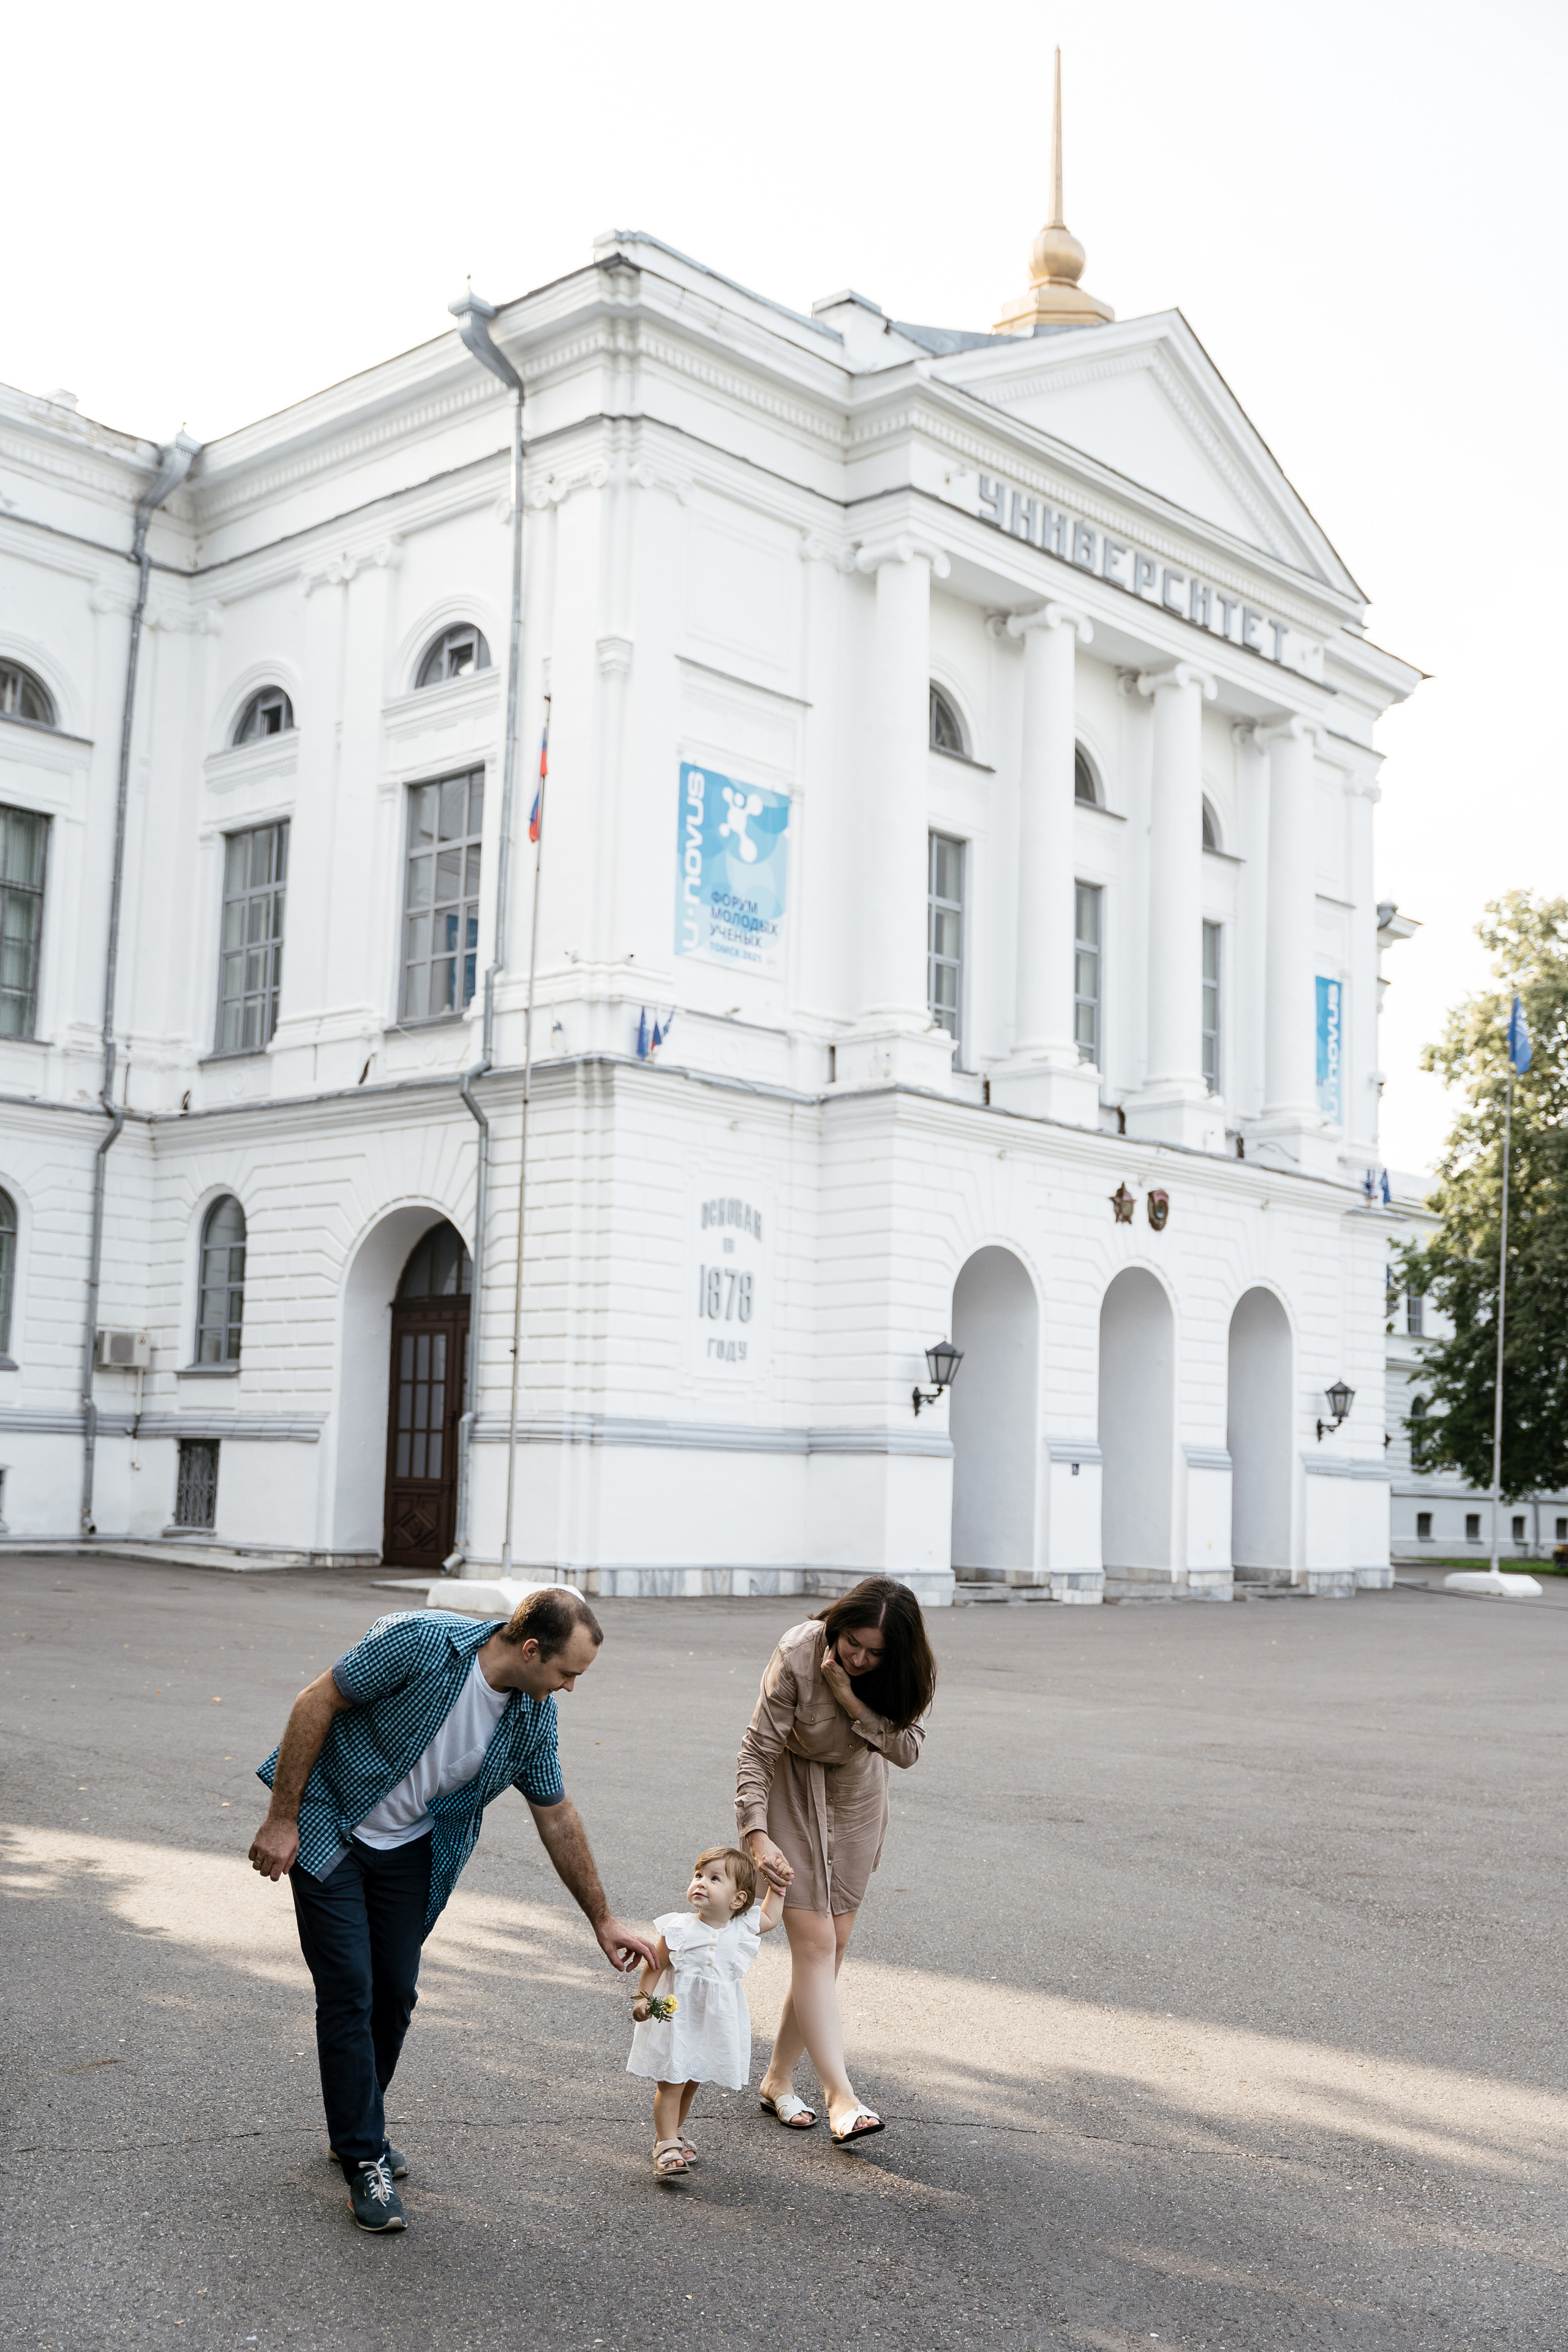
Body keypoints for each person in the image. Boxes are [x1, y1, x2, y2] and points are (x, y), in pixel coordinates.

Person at [249, 1586, 657, 2233]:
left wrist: (602, 1918)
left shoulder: (532, 1717)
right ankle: (365, 2156)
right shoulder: (421, 1644)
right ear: (531, 1649)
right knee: (350, 1988)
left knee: (395, 1994)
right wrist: (282, 1818)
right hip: (331, 1824)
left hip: (413, 1851)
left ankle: (356, 2123)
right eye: (567, 1672)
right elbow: (316, 1700)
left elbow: (556, 1815)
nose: (570, 1688)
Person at [736, 1575, 936, 2144]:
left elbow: (907, 1750)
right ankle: (840, 2098)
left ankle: (777, 2080)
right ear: (838, 1626)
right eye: (852, 1643)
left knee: (834, 1943)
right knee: (816, 1944)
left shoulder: (911, 1672)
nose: (860, 1658)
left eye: (876, 1653)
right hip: (791, 1790)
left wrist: (850, 1698)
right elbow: (758, 1749)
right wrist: (756, 1833)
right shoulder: (799, 1651)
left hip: (856, 1796)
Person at [627, 1844, 785, 2177]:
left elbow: (771, 1916)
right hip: (678, 2019)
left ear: (738, 1900)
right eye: (699, 1875)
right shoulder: (680, 1928)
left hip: (713, 2021)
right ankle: (665, 2144)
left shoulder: (741, 1927)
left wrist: (779, 1885)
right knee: (673, 2081)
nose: (700, 1882)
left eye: (714, 1879)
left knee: (692, 2080)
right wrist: (643, 1998)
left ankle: (674, 2132)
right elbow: (656, 1965)